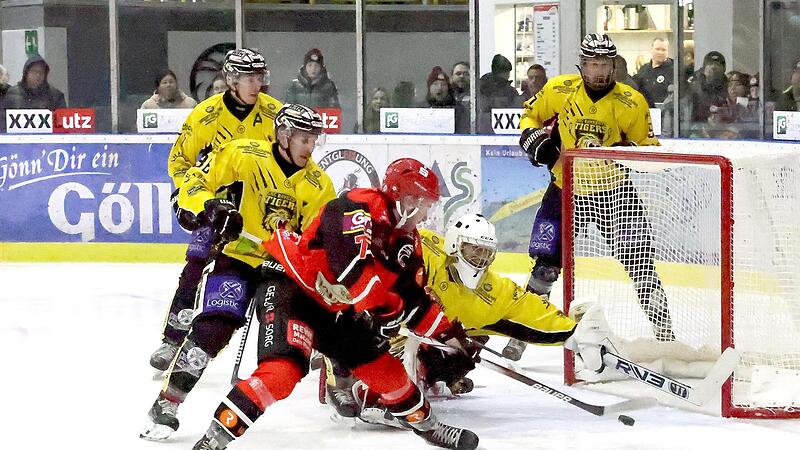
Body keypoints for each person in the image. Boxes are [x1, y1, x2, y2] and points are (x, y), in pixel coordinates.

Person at [190, 158, 480, 450]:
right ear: (407, 198)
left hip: (338, 311)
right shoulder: (355, 207)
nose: (428, 214)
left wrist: (449, 336)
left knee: (386, 371)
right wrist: (386, 311)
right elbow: (352, 267)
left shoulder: (405, 241)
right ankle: (213, 439)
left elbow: (413, 298)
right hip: (294, 290)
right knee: (281, 372)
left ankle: (428, 426)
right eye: (425, 204)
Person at [141, 104, 336, 442]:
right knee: (212, 329)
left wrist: (302, 258)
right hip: (238, 259)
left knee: (281, 349)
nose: (310, 147)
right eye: (304, 139)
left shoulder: (318, 184)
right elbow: (195, 182)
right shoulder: (243, 154)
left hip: (283, 274)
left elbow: (321, 243)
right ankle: (168, 402)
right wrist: (214, 206)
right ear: (285, 135)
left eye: (314, 140)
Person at [323, 213, 578, 423]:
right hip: (384, 321)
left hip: (419, 335)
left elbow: (528, 309)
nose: (480, 260)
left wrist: (573, 332)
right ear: (455, 245)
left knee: (467, 343)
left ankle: (413, 388)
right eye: (474, 251)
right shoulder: (424, 248)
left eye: (486, 253)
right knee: (350, 330)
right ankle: (337, 380)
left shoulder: (491, 289)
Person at [512, 33, 673, 360]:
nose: (599, 71)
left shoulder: (631, 102)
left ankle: (666, 334)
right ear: (582, 65)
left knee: (641, 266)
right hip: (564, 191)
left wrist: (625, 152)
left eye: (605, 64)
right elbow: (529, 116)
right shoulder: (560, 89)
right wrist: (533, 139)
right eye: (593, 63)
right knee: (545, 266)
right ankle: (521, 333)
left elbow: (650, 152)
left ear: (615, 66)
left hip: (615, 194)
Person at [147, 49, 282, 380]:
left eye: (260, 77)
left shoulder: (276, 114)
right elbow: (180, 164)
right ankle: (171, 338)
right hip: (217, 208)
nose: (257, 84)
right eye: (250, 78)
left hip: (262, 212)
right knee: (197, 261)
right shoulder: (204, 116)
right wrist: (189, 198)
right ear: (232, 80)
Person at [478, 54, 523, 133]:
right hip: (503, 126)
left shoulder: (479, 86)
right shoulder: (509, 91)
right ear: (506, 72)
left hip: (482, 127)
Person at [686, 51, 728, 123]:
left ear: (724, 69)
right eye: (710, 64)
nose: (713, 67)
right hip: (697, 126)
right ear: (703, 69)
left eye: (717, 64)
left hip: (722, 126)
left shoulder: (729, 84)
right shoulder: (694, 84)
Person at [632, 37, 673, 107]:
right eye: (657, 49)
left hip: (667, 111)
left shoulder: (674, 69)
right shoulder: (644, 69)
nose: (660, 52)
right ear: (651, 50)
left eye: (663, 50)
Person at [451, 62, 471, 133]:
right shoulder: (446, 97)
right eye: (458, 73)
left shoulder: (477, 96)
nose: (462, 76)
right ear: (452, 77)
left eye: (466, 74)